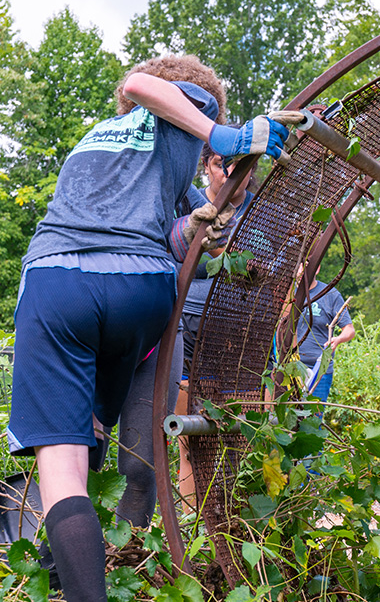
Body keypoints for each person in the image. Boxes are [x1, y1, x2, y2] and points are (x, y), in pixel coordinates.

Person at [6, 54, 288, 602]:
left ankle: (83, 581)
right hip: (138, 292)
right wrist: (222, 132)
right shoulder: (182, 113)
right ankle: (61, 571)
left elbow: (168, 232)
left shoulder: (98, 141)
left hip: (58, 284)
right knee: (103, 449)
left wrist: (209, 220)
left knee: (66, 466)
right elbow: (142, 84)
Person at [174, 147, 259, 509]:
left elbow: (263, 270)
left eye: (240, 165)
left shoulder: (261, 212)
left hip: (237, 329)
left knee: (239, 432)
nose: (229, 173)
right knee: (189, 434)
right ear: (207, 166)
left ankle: (235, 521)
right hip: (189, 324)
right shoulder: (189, 208)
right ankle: (193, 523)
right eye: (220, 164)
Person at [295, 265, 355, 404]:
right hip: (291, 369)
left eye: (308, 266)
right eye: (300, 266)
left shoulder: (330, 295)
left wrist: (338, 339)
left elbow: (349, 330)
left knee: (313, 419)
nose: (303, 270)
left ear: (317, 268)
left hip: (319, 371)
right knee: (286, 419)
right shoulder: (287, 295)